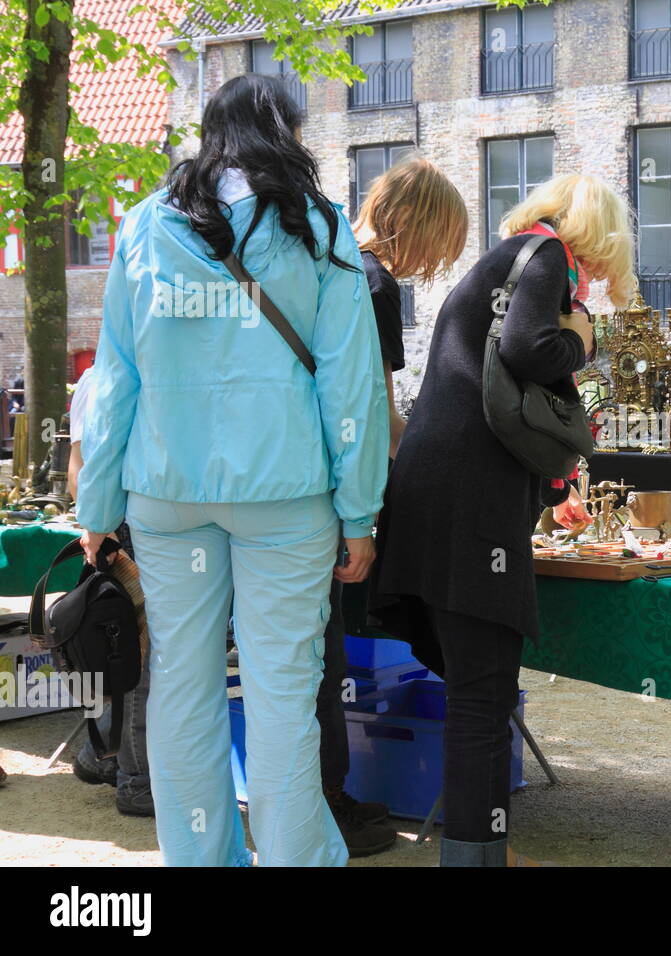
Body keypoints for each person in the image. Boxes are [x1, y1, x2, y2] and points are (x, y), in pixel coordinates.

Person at [76, 74, 388, 867]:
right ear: (284, 130)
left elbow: (115, 377)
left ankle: (201, 860)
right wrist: (360, 510)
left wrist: (98, 500)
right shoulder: (317, 228)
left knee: (181, 683)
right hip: (285, 496)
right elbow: (348, 381)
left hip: (167, 493)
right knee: (284, 689)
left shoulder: (145, 227)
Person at [368, 173, 632, 867]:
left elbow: (499, 396)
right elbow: (527, 352)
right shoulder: (543, 258)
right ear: (595, 234)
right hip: (470, 515)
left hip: (432, 498)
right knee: (483, 694)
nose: (605, 273)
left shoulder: (509, 258)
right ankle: (477, 857)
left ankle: (477, 848)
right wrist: (583, 339)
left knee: (472, 691)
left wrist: (549, 491)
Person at [313, 159, 468, 856]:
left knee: (301, 656)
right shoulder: (372, 283)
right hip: (323, 496)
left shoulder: (328, 257)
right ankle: (330, 803)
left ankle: (316, 799)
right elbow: (372, 408)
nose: (433, 268)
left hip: (282, 481)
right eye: (438, 248)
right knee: (321, 658)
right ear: (415, 225)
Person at [66, 364, 154, 817]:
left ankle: (100, 756)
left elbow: (77, 467)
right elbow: (80, 468)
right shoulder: (107, 375)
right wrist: (105, 528)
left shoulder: (98, 376)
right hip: (132, 524)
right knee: (143, 655)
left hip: (129, 521)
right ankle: (136, 779)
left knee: (135, 652)